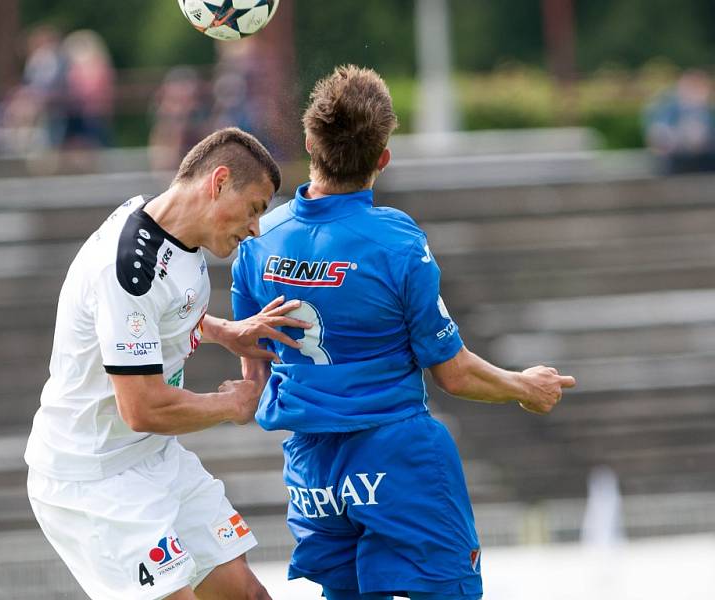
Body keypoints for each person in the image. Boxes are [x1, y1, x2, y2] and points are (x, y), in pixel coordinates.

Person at [231, 65, 576, 600]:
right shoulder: (396, 241)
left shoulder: (257, 240)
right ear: (383, 157)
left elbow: (251, 365)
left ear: (307, 143)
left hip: (311, 471)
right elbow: (453, 373)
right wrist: (525, 387)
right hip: (397, 457)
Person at [25, 127, 310, 600]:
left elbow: (161, 309)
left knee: (249, 596)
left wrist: (226, 332)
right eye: (255, 208)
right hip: (94, 479)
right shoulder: (127, 270)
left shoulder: (175, 228)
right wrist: (232, 406)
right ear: (218, 183)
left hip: (152, 456)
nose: (257, 228)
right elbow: (142, 408)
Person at [644, 69, 715, 174]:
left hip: (704, 162)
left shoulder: (706, 111)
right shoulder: (669, 109)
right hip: (677, 162)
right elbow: (658, 138)